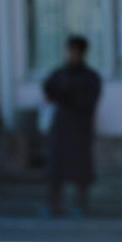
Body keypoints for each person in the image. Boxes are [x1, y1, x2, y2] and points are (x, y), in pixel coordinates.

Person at [41, 35, 102, 218]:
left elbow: (89, 100)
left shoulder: (89, 77)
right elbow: (48, 89)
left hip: (80, 128)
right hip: (61, 127)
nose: (72, 55)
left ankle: (80, 205)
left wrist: (70, 93)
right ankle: (53, 205)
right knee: (56, 168)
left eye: (75, 51)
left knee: (80, 169)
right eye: (70, 51)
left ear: (82, 53)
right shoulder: (60, 73)